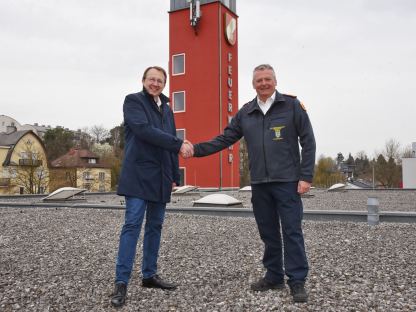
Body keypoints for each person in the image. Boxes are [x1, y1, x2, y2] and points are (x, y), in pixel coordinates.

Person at [183, 64, 315, 303]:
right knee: (268, 232)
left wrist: (306, 177)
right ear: (253, 84)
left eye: (267, 79)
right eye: (259, 80)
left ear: (275, 81)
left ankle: (296, 280)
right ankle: (274, 275)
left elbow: (308, 141)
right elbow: (225, 139)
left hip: (287, 182)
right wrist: (196, 150)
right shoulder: (246, 112)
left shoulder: (292, 106)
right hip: (260, 184)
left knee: (292, 231)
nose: (263, 83)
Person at [110, 66, 193, 307]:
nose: (155, 83)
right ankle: (121, 282)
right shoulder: (133, 101)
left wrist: (175, 174)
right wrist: (178, 143)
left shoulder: (167, 108)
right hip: (138, 175)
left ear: (165, 84)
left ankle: (149, 275)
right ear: (143, 81)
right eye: (151, 79)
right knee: (132, 225)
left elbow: (169, 143)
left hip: (161, 177)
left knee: (155, 226)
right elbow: (144, 131)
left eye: (160, 80)